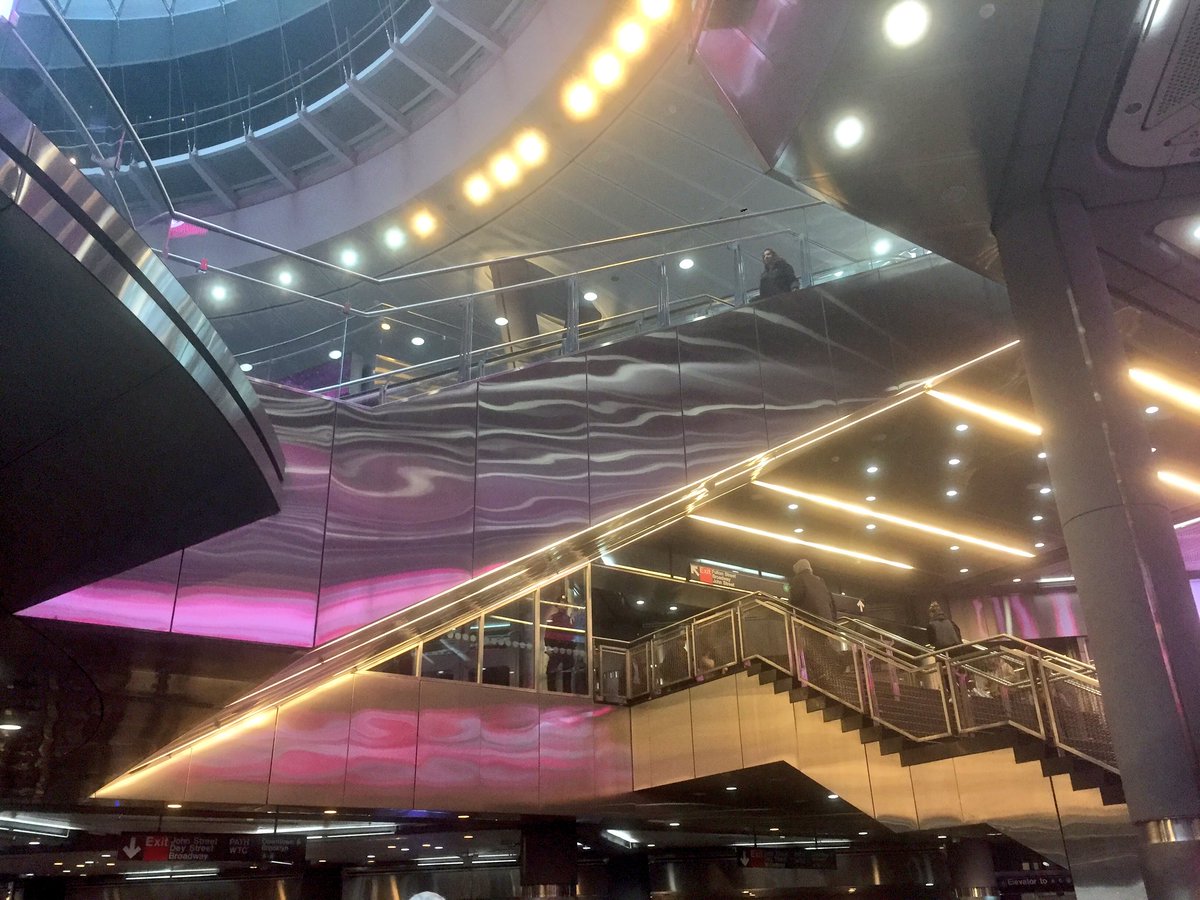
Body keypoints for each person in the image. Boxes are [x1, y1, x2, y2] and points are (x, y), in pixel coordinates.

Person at [543, 604, 577, 693]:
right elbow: (548, 633)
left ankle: (566, 693)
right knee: (551, 671)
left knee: (567, 671)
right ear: (557, 606)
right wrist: (548, 646)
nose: (564, 607)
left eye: (565, 605)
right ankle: (552, 692)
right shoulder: (553, 618)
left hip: (567, 647)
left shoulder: (569, 619)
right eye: (562, 605)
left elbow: (573, 635)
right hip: (556, 647)